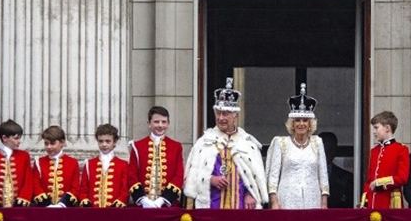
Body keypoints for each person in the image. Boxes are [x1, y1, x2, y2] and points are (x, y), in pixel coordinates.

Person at [184, 77, 268, 209]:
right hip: (212, 206)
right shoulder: (204, 143)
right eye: (218, 113)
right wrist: (211, 179)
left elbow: (255, 177)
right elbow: (192, 176)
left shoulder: (248, 143)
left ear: (235, 116)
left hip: (241, 207)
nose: (221, 118)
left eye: (226, 114)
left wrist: (251, 194)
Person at [266, 84, 329, 209]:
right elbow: (273, 177)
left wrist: (324, 203)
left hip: (312, 200)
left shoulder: (317, 143)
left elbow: (323, 175)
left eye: (305, 120)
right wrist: (274, 203)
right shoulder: (281, 143)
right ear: (292, 124)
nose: (301, 124)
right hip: (287, 200)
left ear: (310, 124)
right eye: (297, 120)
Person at [127, 106, 185, 208]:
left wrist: (163, 200)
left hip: (167, 206)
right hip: (142, 207)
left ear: (168, 124)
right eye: (156, 122)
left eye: (164, 122)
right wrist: (143, 199)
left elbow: (179, 175)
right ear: (149, 123)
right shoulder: (137, 146)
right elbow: (132, 175)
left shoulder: (176, 147)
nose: (160, 125)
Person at [359, 110, 409, 209]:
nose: (374, 132)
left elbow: (402, 178)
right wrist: (365, 202)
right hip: (373, 203)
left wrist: (379, 183)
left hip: (390, 202)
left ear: (387, 128)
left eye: (376, 128)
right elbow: (369, 180)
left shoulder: (401, 149)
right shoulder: (374, 151)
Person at [0, 119, 36, 208]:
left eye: (20, 138)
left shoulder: (24, 156)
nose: (19, 141)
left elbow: (28, 179)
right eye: (16, 138)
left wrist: (23, 198)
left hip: (19, 206)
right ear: (4, 138)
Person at [81, 123, 130, 208]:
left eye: (108, 141)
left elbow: (125, 189)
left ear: (114, 142)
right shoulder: (89, 164)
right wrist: (85, 200)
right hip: (93, 211)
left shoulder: (123, 164)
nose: (104, 144)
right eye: (101, 141)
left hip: (115, 212)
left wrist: (120, 201)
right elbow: (83, 188)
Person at [33, 125, 82, 207]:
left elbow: (75, 188)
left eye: (52, 143)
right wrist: (47, 204)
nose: (49, 147)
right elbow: (36, 186)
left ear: (62, 142)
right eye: (46, 143)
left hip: (66, 209)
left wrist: (62, 204)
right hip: (44, 209)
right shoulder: (39, 162)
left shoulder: (73, 162)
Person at [319, 131, 355, 208]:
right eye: (324, 148)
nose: (327, 152)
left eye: (331, 148)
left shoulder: (347, 178)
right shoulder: (305, 175)